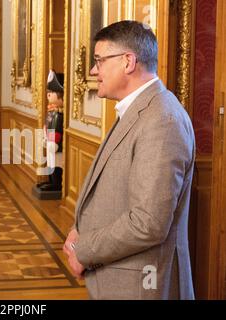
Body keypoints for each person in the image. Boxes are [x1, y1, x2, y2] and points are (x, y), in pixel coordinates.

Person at [63, 20, 195, 299]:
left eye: (99, 60)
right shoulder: (139, 110)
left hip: (140, 285)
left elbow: (148, 223)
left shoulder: (162, 120)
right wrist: (79, 229)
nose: (93, 70)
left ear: (128, 61)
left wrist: (84, 250)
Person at [37, 70, 64, 192]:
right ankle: (50, 180)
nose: (49, 95)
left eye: (52, 92)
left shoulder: (60, 114)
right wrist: (45, 137)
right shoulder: (52, 112)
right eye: (49, 92)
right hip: (49, 141)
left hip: (55, 144)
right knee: (49, 161)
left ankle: (56, 183)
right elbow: (47, 126)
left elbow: (58, 128)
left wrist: (55, 141)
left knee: (56, 162)